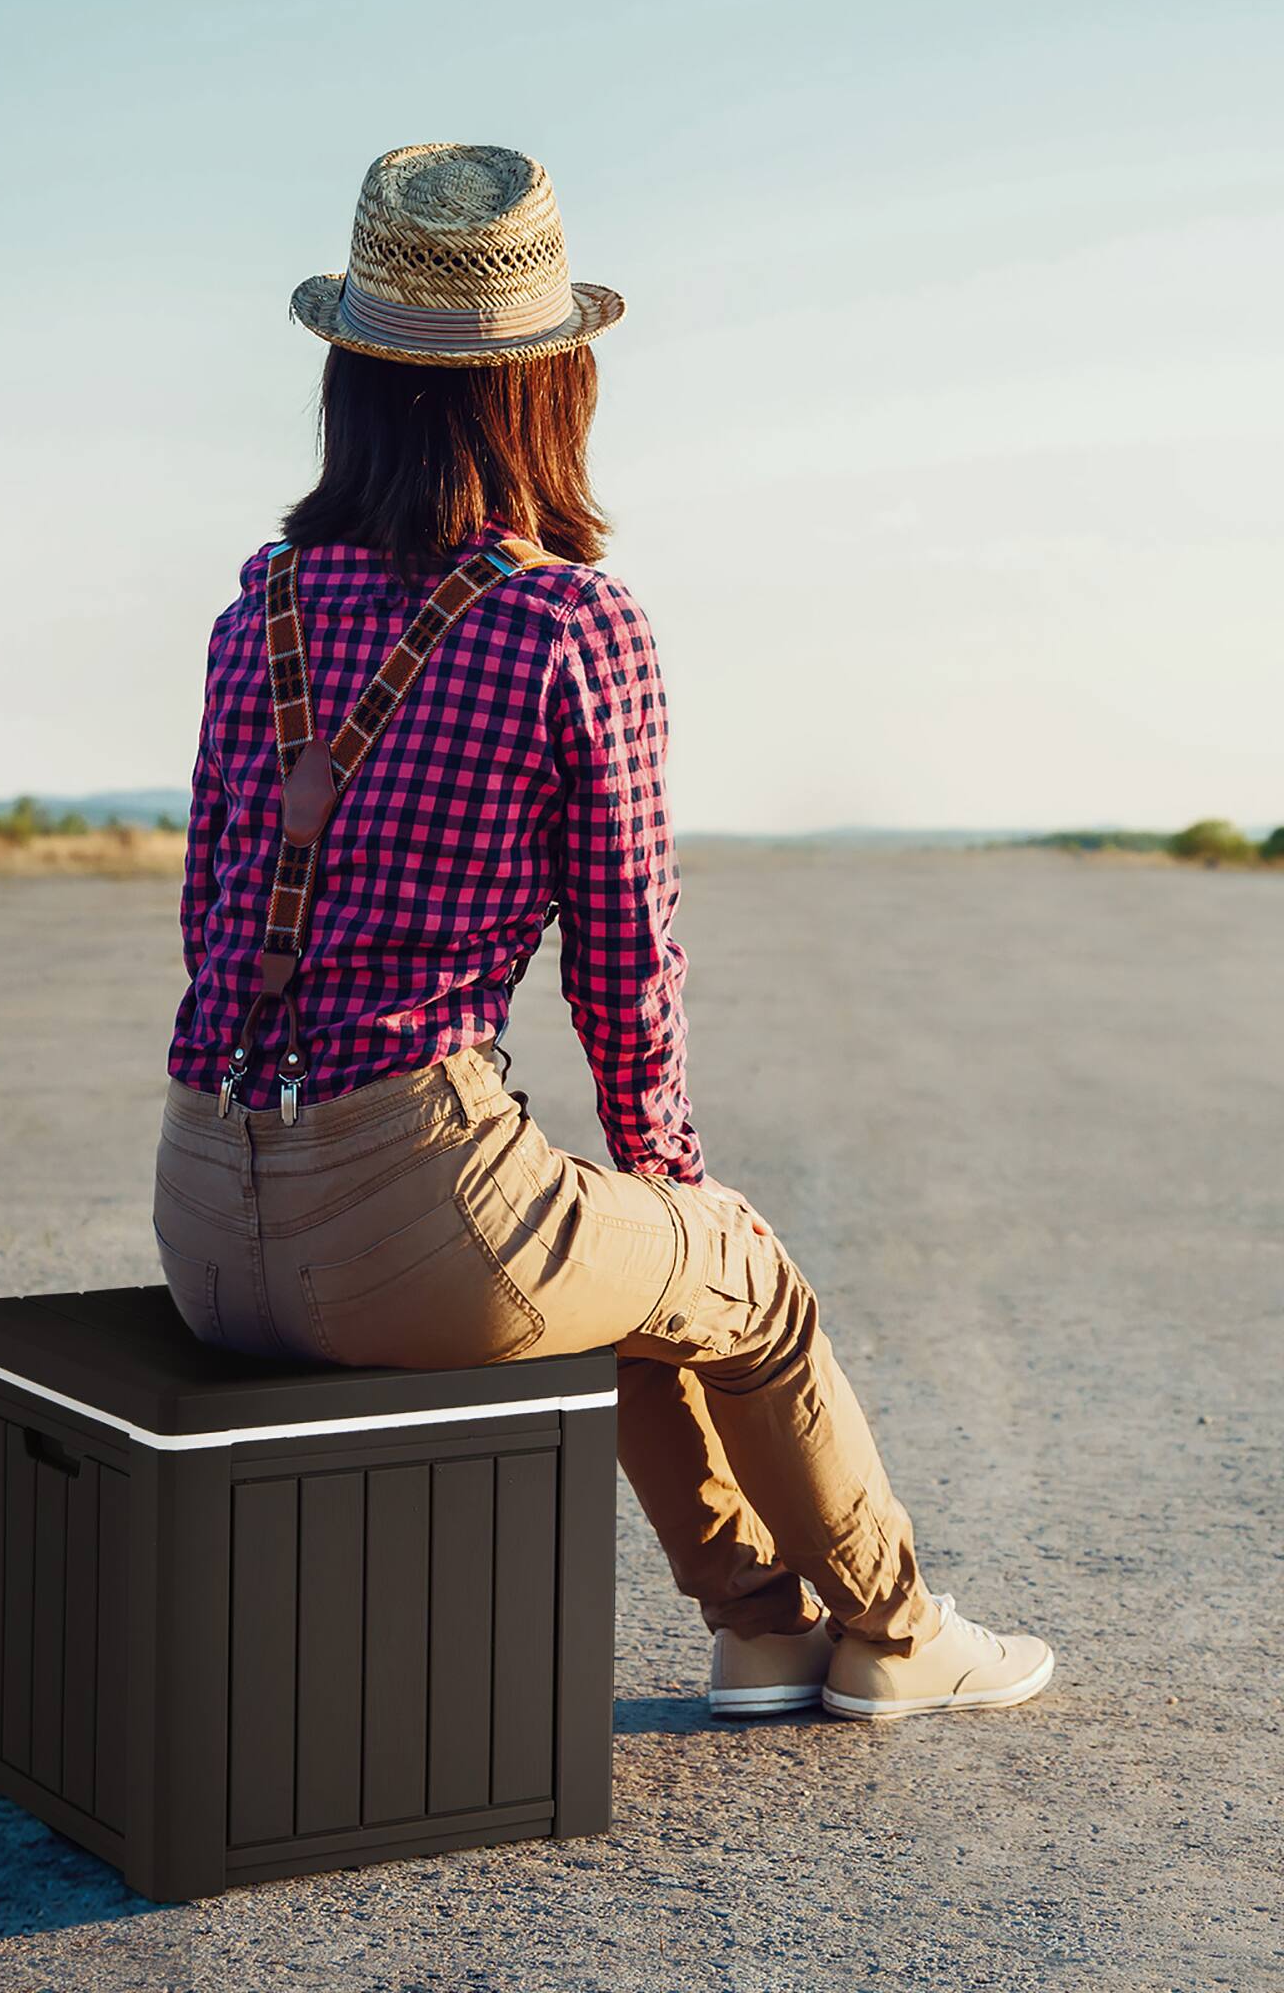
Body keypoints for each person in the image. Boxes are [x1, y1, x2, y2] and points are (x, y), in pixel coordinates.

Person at [154, 144, 1051, 1723]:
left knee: (627, 1261)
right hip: (409, 1225)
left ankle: (763, 1633)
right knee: (738, 1277)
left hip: (207, 1220)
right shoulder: (567, 621)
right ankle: (901, 1638)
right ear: (547, 386)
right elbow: (629, 960)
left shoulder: (259, 613)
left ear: (350, 384)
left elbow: (208, 913)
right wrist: (675, 1172)